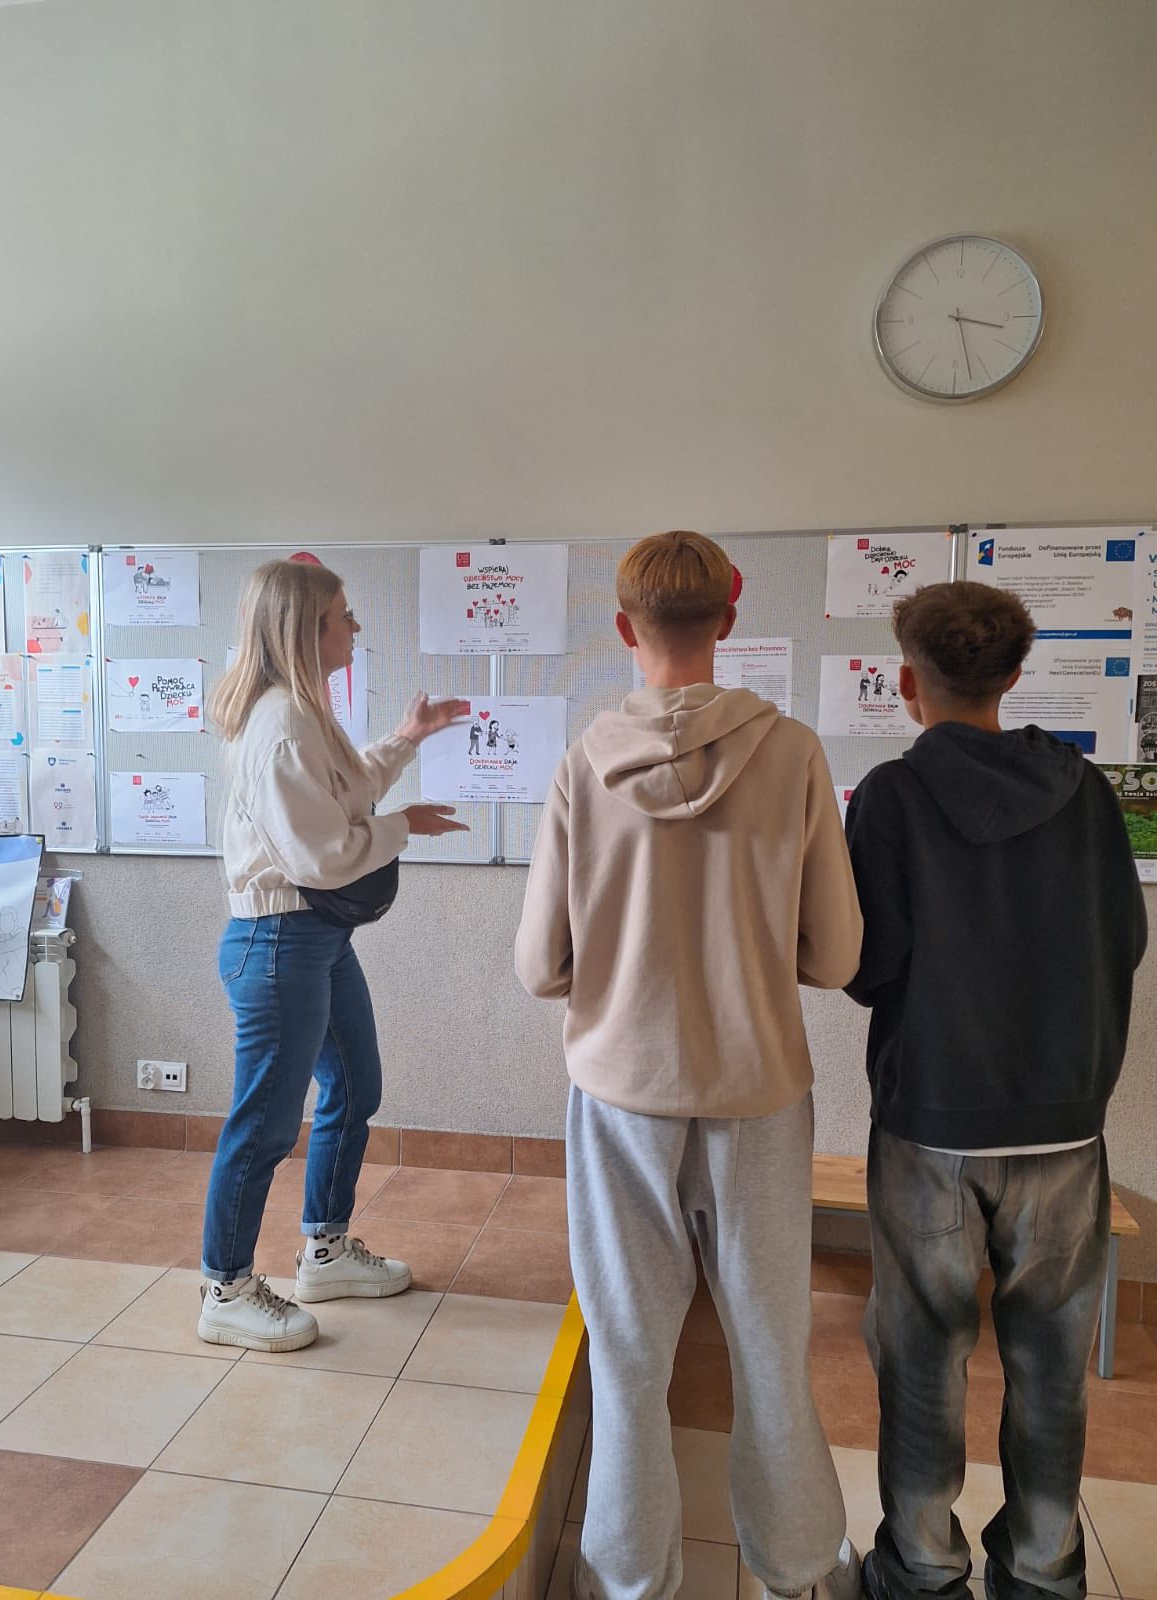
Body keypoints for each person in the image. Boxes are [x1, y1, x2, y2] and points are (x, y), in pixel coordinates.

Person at [515, 531, 864, 1600]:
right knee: (771, 1344)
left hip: (622, 1092)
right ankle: (800, 1570)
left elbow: (539, 966)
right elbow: (836, 955)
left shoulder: (585, 761)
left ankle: (630, 1579)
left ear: (623, 626)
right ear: (731, 616)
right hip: (758, 1089)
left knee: (626, 1351)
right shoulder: (794, 752)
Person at [843, 581, 1148, 1600]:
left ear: (906, 683)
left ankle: (922, 1567)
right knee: (1052, 1362)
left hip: (930, 1121)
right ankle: (1044, 1571)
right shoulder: (1088, 791)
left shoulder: (891, 796)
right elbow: (1125, 939)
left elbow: (867, 968)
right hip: (1064, 1121)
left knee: (922, 1355)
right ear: (1015, 677)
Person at [198, 558, 469, 1353]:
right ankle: (225, 1288)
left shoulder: (302, 712)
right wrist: (402, 827)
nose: (355, 627)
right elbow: (322, 855)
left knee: (354, 1085)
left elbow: (343, 794)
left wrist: (406, 741)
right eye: (344, 616)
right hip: (278, 943)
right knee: (264, 1124)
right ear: (308, 629)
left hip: (310, 939)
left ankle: (325, 1248)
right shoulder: (280, 723)